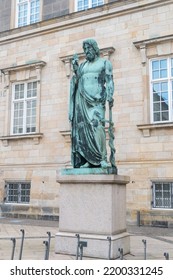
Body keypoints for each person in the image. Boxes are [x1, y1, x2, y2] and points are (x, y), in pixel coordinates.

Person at [69, 39, 115, 168]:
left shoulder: (104, 63)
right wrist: (76, 69)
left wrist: (110, 95)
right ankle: (89, 160)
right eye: (85, 50)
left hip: (97, 101)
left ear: (95, 49)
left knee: (97, 126)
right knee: (83, 130)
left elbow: (109, 81)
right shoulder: (83, 66)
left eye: (89, 49)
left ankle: (102, 158)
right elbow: (78, 80)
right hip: (82, 100)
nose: (87, 52)